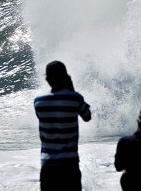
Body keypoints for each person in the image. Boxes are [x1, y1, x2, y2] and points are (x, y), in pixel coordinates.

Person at [34, 60, 92, 191]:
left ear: (47, 79)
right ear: (66, 76)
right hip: (69, 164)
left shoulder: (39, 102)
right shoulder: (75, 98)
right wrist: (71, 89)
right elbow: (87, 117)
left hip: (48, 164)